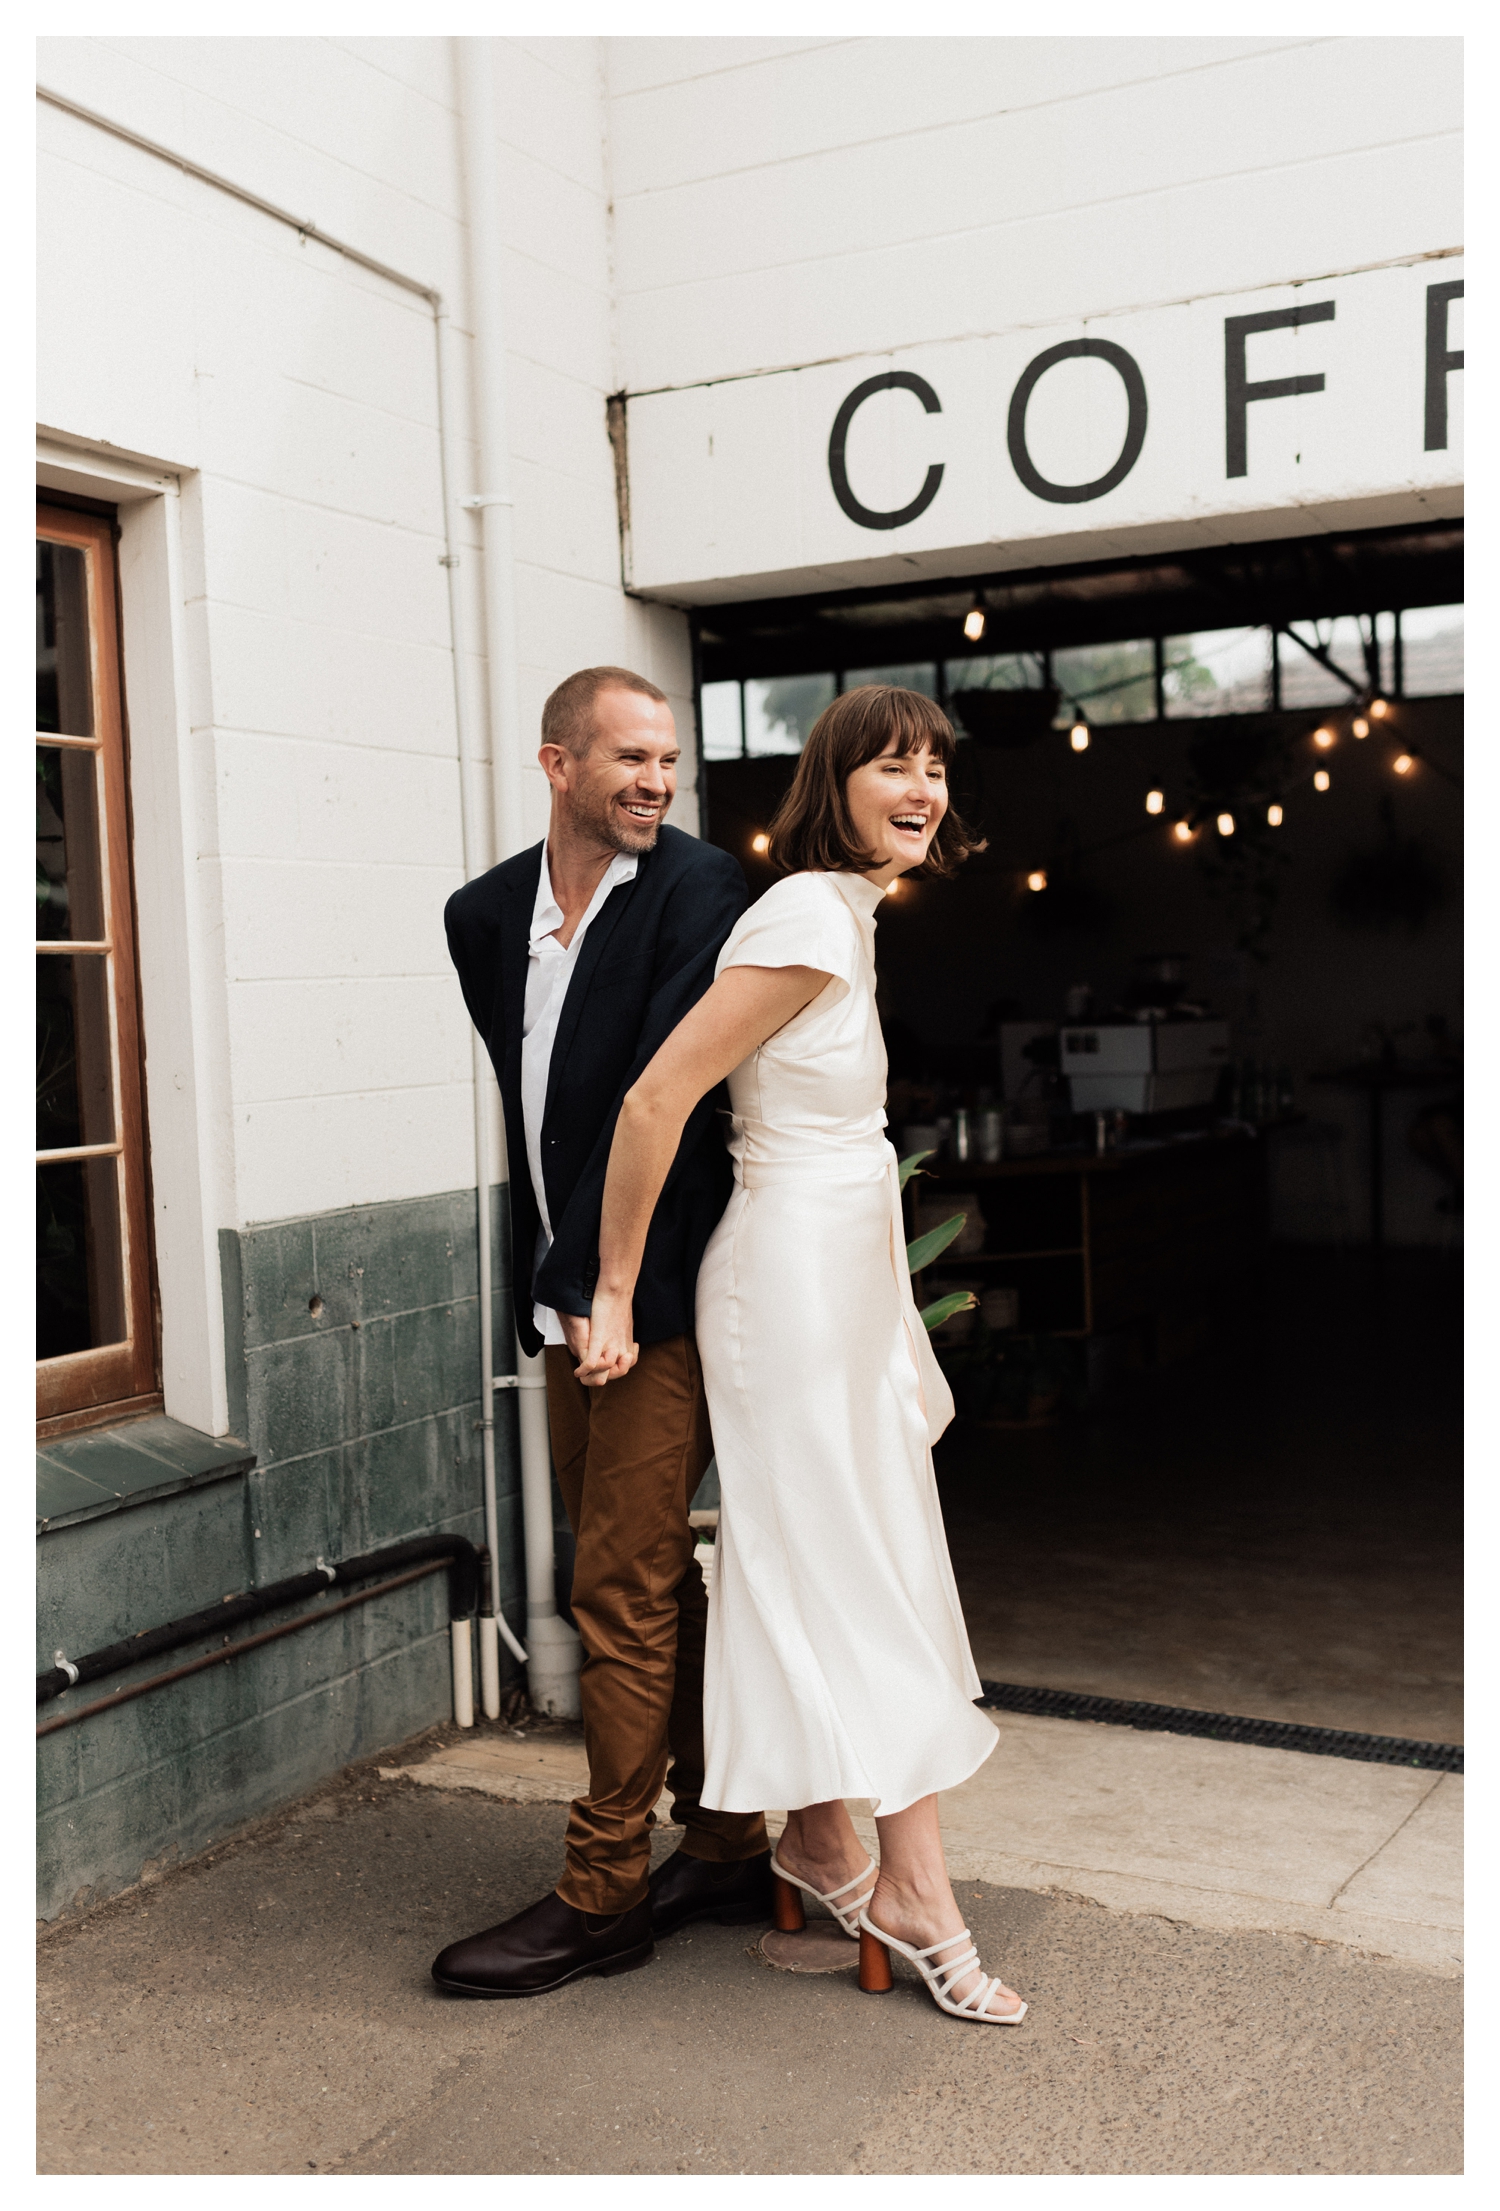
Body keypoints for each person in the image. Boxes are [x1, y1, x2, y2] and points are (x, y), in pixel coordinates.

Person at [576, 686, 1027, 2024]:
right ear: (833, 785)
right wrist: (612, 1289)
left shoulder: (848, 917)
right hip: (786, 1287)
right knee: (856, 1564)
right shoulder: (806, 919)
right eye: (892, 765)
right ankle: (913, 1890)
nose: (922, 787)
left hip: (838, 1276)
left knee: (831, 1556)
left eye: (934, 766)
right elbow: (656, 1097)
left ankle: (825, 1845)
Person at [433, 666, 773, 1999]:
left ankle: (604, 1890)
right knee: (645, 1578)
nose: (656, 781)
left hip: (649, 1295)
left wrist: (601, 1281)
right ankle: (729, 1840)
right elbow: (542, 1120)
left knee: (617, 1586)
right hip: (563, 1296)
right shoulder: (482, 918)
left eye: (668, 759)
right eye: (630, 757)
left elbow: (658, 1106)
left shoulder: (700, 890)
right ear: (556, 764)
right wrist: (552, 1280)